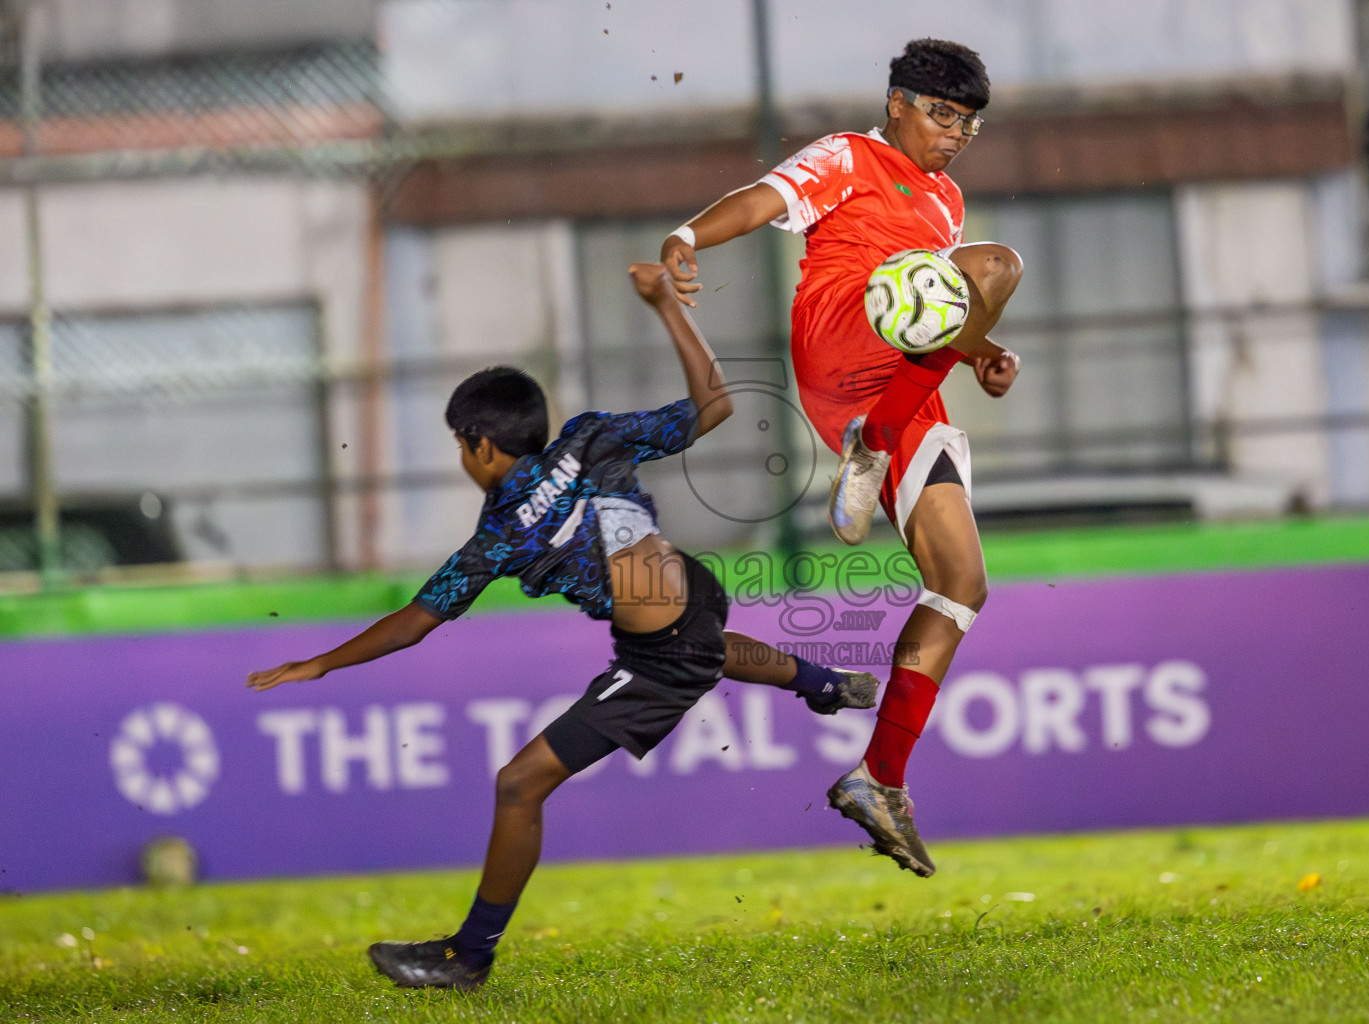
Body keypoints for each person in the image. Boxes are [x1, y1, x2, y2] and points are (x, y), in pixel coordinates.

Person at [245, 263, 875, 991]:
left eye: (460, 445)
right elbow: (715, 406)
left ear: (481, 443)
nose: (461, 459)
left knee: (519, 785)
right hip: (688, 595)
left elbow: (413, 623)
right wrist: (667, 304)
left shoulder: (498, 535)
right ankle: (824, 683)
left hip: (659, 651)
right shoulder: (591, 436)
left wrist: (318, 664)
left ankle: (469, 955)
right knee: (695, 642)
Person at [658, 39, 1022, 877]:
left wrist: (981, 352)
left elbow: (933, 309)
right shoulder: (848, 156)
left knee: (961, 583)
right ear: (897, 102)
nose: (956, 133)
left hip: (898, 383)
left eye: (968, 121)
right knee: (1000, 264)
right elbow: (760, 199)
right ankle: (874, 443)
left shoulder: (945, 200)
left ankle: (878, 779)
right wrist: (687, 236)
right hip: (837, 346)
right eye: (942, 114)